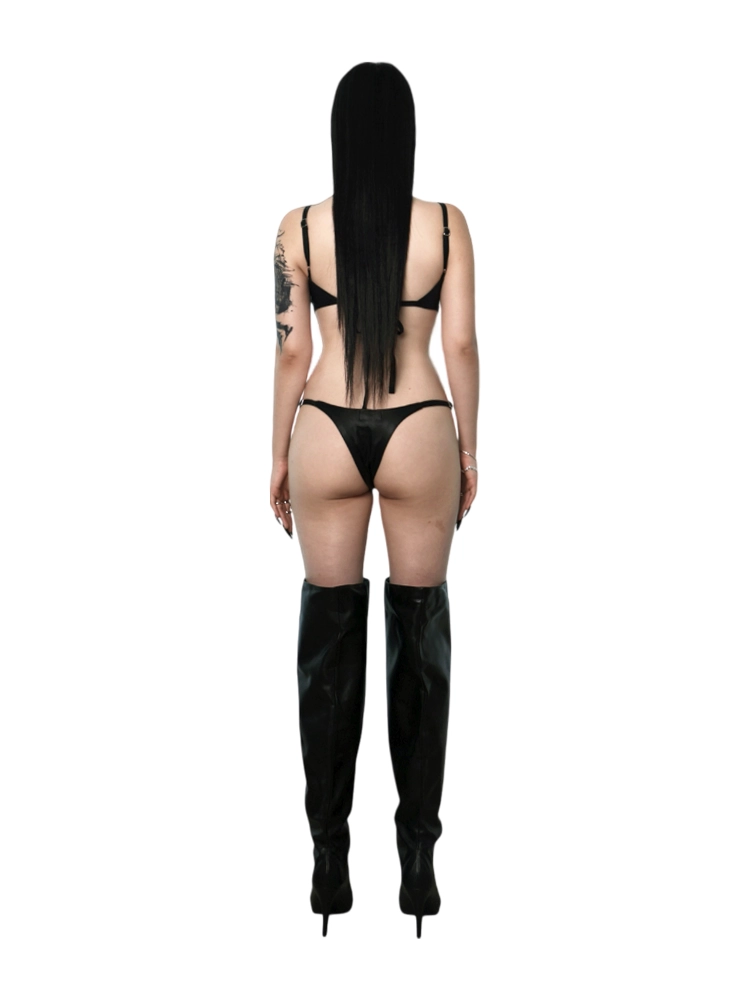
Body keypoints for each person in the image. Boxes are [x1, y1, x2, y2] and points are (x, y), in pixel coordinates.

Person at [269, 62, 479, 938]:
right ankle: (419, 866)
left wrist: (276, 455)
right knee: (419, 641)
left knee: (328, 645)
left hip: (323, 426)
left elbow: (291, 352)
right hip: (419, 424)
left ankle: (328, 863)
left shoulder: (298, 229)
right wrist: (468, 448)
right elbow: (460, 344)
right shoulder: (446, 225)